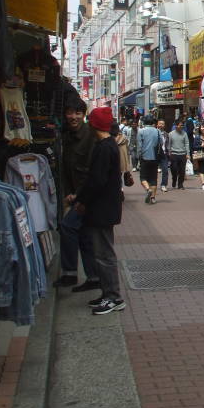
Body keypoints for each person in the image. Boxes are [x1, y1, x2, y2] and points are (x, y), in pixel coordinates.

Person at [74, 107, 125, 315]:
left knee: (104, 253)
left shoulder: (104, 147)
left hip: (102, 208)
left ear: (94, 124)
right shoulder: (108, 145)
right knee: (101, 252)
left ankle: (113, 297)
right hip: (105, 207)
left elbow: (96, 180)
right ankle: (108, 294)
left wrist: (82, 199)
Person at [56, 91, 100, 292]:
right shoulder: (66, 136)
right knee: (84, 236)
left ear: (84, 115)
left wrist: (79, 195)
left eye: (77, 113)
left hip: (87, 197)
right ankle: (93, 277)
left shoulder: (91, 136)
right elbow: (64, 169)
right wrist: (67, 192)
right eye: (70, 113)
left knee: (67, 226)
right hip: (74, 194)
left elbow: (93, 171)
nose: (73, 117)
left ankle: (69, 273)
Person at [137, 116, 161, 204]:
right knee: (154, 178)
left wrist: (138, 156)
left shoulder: (141, 131)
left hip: (144, 157)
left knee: (143, 177)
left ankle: (148, 189)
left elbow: (139, 146)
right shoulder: (157, 131)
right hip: (155, 157)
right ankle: (153, 198)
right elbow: (161, 143)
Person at [168, 120, 191, 190]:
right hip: (174, 154)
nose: (181, 126)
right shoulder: (171, 134)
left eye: (182, 125)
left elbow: (187, 143)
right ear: (176, 126)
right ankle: (174, 179)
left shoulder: (185, 134)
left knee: (182, 170)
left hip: (182, 154)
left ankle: (180, 184)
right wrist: (169, 152)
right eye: (180, 125)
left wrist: (188, 154)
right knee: (174, 169)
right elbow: (169, 144)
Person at [192, 124, 204, 191]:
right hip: (200, 155)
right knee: (202, 169)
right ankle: (203, 184)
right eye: (202, 127)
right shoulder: (197, 137)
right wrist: (201, 146)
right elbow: (194, 147)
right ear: (200, 128)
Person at [156, 119, 170, 192]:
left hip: (164, 154)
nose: (161, 125)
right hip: (155, 154)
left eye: (163, 124)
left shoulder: (166, 134)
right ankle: (153, 184)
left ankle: (163, 185)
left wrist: (169, 152)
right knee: (153, 170)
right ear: (157, 124)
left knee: (165, 170)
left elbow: (167, 144)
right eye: (160, 124)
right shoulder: (154, 133)